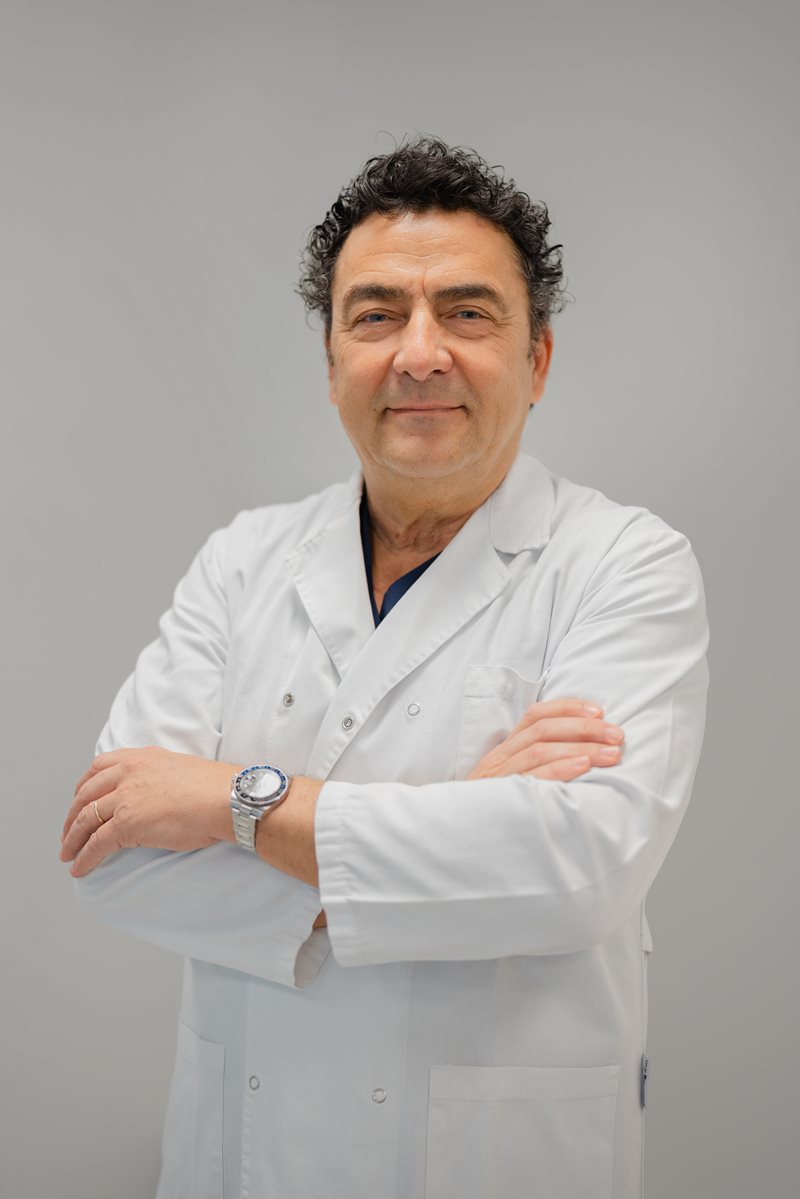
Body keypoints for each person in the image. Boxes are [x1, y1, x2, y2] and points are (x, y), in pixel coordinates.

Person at [60, 135, 709, 1199]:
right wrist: (462, 825)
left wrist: (229, 801)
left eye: (467, 312)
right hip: (247, 1154)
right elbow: (113, 853)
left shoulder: (623, 563)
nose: (418, 353)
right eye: (374, 316)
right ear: (330, 365)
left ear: (538, 360)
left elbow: (574, 871)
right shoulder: (242, 561)